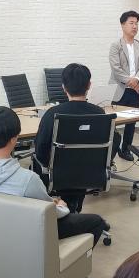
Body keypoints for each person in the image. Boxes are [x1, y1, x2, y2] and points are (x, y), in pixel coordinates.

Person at [0, 107, 108, 278]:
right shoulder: (27, 179)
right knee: (97, 222)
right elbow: (50, 214)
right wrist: (61, 205)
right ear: (14, 139)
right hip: (26, 232)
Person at [34, 62, 116, 211]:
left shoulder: (53, 114)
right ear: (89, 85)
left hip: (59, 175)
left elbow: (40, 151)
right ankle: (75, 208)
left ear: (63, 87)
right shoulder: (100, 114)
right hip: (90, 173)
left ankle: (68, 210)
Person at [108, 10, 139, 162]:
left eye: (136, 23)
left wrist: (137, 79)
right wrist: (132, 81)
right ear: (122, 25)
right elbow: (116, 69)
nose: (135, 26)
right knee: (113, 122)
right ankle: (110, 150)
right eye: (131, 23)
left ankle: (125, 150)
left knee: (131, 122)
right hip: (119, 89)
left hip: (135, 90)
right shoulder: (115, 45)